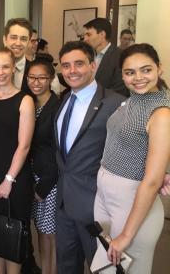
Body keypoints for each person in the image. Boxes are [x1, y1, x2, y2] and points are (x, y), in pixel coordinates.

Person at [94, 43, 170, 273]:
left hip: (133, 199)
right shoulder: (132, 100)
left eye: (146, 70)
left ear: (159, 68)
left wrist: (126, 235)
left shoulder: (161, 111)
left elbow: (152, 181)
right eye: (130, 72)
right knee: (105, 267)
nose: (138, 78)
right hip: (106, 195)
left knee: (126, 269)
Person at [55, 41, 124, 274]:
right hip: (64, 204)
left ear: (93, 66)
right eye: (66, 66)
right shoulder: (65, 100)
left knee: (102, 268)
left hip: (96, 207)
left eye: (78, 64)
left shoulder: (115, 104)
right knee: (66, 265)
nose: (72, 71)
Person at [0, 47, 35, 274]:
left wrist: (9, 180)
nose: (0, 72)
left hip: (16, 177)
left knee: (14, 238)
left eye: (5, 66)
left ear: (14, 68)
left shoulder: (25, 101)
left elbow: (24, 145)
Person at [26, 58, 60, 274]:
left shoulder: (58, 107)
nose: (36, 82)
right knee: (39, 229)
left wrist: (45, 184)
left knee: (50, 232)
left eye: (42, 78)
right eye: (32, 77)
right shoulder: (29, 103)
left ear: (51, 79)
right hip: (31, 175)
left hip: (49, 178)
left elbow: (61, 150)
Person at [0, 18, 60, 99]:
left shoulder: (34, 70)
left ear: (29, 42)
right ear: (5, 40)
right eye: (13, 37)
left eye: (23, 39)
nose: (18, 43)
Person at [83, 18, 128, 97]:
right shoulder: (88, 56)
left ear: (102, 34)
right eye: (85, 35)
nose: (85, 39)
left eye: (89, 35)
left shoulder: (120, 56)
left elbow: (120, 88)